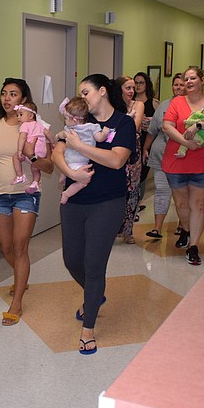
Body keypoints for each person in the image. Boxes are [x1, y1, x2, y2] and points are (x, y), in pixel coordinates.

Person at [53, 74, 136, 355]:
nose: (83, 97)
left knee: (94, 261)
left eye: (86, 91)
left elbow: (115, 160)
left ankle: (88, 328)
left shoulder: (122, 124)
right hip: (75, 201)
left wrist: (80, 147)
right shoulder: (76, 120)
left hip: (108, 202)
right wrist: (70, 172)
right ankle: (95, 294)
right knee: (71, 259)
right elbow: (57, 152)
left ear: (102, 92)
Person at [0, 78, 53, 326]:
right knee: (7, 248)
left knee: (20, 248)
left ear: (24, 99)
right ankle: (22, 278)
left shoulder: (36, 126)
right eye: (4, 93)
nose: (7, 98)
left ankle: (17, 302)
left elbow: (50, 167)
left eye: (13, 94)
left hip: (26, 192)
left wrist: (32, 156)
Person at [162, 67, 204, 265]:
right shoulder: (177, 102)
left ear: (202, 80)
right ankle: (186, 229)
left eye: (193, 78)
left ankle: (194, 246)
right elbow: (167, 126)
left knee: (198, 205)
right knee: (181, 204)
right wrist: (186, 143)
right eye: (186, 79)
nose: (189, 81)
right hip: (177, 161)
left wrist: (199, 125)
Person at [143, 73, 184, 238]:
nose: (178, 88)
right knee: (161, 190)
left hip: (182, 158)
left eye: (182, 85)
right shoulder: (164, 105)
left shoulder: (192, 106)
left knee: (181, 194)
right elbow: (152, 131)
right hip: (161, 156)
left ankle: (183, 225)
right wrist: (146, 149)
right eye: (176, 85)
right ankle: (157, 228)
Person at [57, 96, 110, 203]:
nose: (65, 121)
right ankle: (67, 194)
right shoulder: (92, 127)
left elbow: (61, 135)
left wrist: (58, 136)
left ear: (75, 119)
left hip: (67, 159)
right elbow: (99, 138)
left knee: (67, 165)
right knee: (83, 182)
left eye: (66, 118)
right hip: (80, 162)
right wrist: (105, 133)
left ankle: (63, 175)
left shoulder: (69, 128)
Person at [116, 75, 143, 244]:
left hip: (133, 155)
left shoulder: (138, 105)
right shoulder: (113, 107)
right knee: (117, 193)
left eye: (133, 88)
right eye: (128, 88)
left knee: (132, 193)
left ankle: (128, 231)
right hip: (115, 154)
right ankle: (114, 228)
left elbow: (135, 126)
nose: (132, 91)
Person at [10, 102, 54, 193]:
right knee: (35, 168)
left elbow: (22, 137)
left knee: (15, 157)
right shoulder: (40, 125)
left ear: (30, 116)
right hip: (41, 153)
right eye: (17, 115)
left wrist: (19, 151)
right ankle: (35, 182)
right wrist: (53, 144)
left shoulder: (25, 125)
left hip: (31, 151)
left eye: (21, 114)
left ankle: (19, 175)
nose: (18, 117)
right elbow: (48, 134)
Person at [133, 72, 156, 207]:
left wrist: (150, 122)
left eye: (141, 82)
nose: (138, 86)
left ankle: (138, 202)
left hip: (147, 142)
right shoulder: (131, 102)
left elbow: (159, 124)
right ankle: (133, 203)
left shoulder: (153, 103)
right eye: (136, 82)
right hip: (133, 141)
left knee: (142, 174)